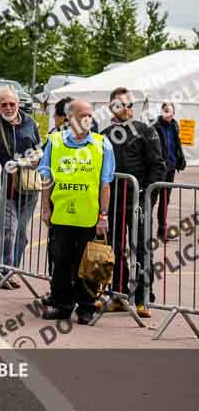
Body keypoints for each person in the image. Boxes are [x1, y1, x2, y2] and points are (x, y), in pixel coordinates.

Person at [38, 100, 116, 325]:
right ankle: (62, 305)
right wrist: (45, 209)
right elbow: (46, 178)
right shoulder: (54, 142)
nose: (87, 119)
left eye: (90, 115)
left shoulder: (103, 144)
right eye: (82, 115)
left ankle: (86, 307)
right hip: (61, 215)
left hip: (89, 216)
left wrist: (103, 216)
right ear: (70, 118)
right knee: (60, 261)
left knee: (89, 264)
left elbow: (105, 184)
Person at [101, 87, 166, 318]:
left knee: (141, 249)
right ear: (112, 107)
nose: (127, 109)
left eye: (129, 105)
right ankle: (118, 295)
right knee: (114, 249)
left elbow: (158, 166)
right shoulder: (104, 134)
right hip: (113, 204)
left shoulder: (145, 131)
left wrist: (149, 199)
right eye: (121, 105)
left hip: (139, 204)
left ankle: (143, 298)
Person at [0, 87, 41, 286]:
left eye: (12, 103)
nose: (8, 107)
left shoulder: (30, 122)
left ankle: (12, 269)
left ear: (18, 104)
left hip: (28, 186)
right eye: (3, 104)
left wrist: (36, 158)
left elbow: (39, 147)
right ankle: (4, 270)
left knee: (20, 231)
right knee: (7, 231)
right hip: (4, 185)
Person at [153, 102, 187, 241]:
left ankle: (162, 231)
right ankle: (144, 229)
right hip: (160, 169)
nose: (167, 113)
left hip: (171, 168)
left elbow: (176, 145)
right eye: (164, 110)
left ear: (173, 113)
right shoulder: (155, 127)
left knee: (165, 200)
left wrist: (181, 159)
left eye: (169, 111)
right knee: (152, 199)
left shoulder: (175, 126)